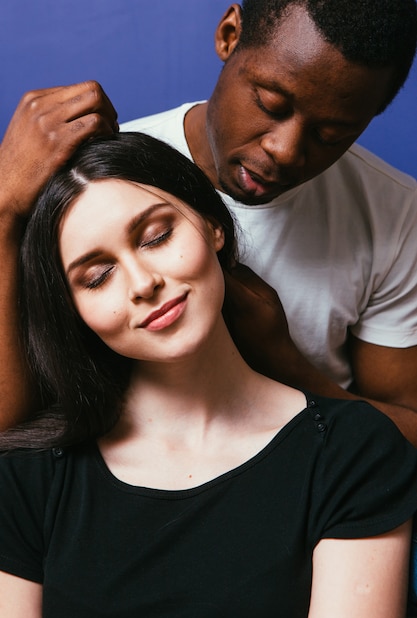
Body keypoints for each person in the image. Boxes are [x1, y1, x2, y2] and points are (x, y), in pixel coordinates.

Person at [0, 131, 417, 618]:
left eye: (156, 237)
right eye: (97, 276)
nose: (143, 283)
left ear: (213, 226)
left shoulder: (354, 451)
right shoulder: (27, 479)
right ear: (74, 311)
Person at [1, 0, 417, 442]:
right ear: (229, 34)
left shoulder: (394, 212)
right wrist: (4, 208)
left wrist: (283, 363)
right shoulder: (92, 184)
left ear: (216, 232)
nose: (286, 151)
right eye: (270, 104)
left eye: (330, 135)